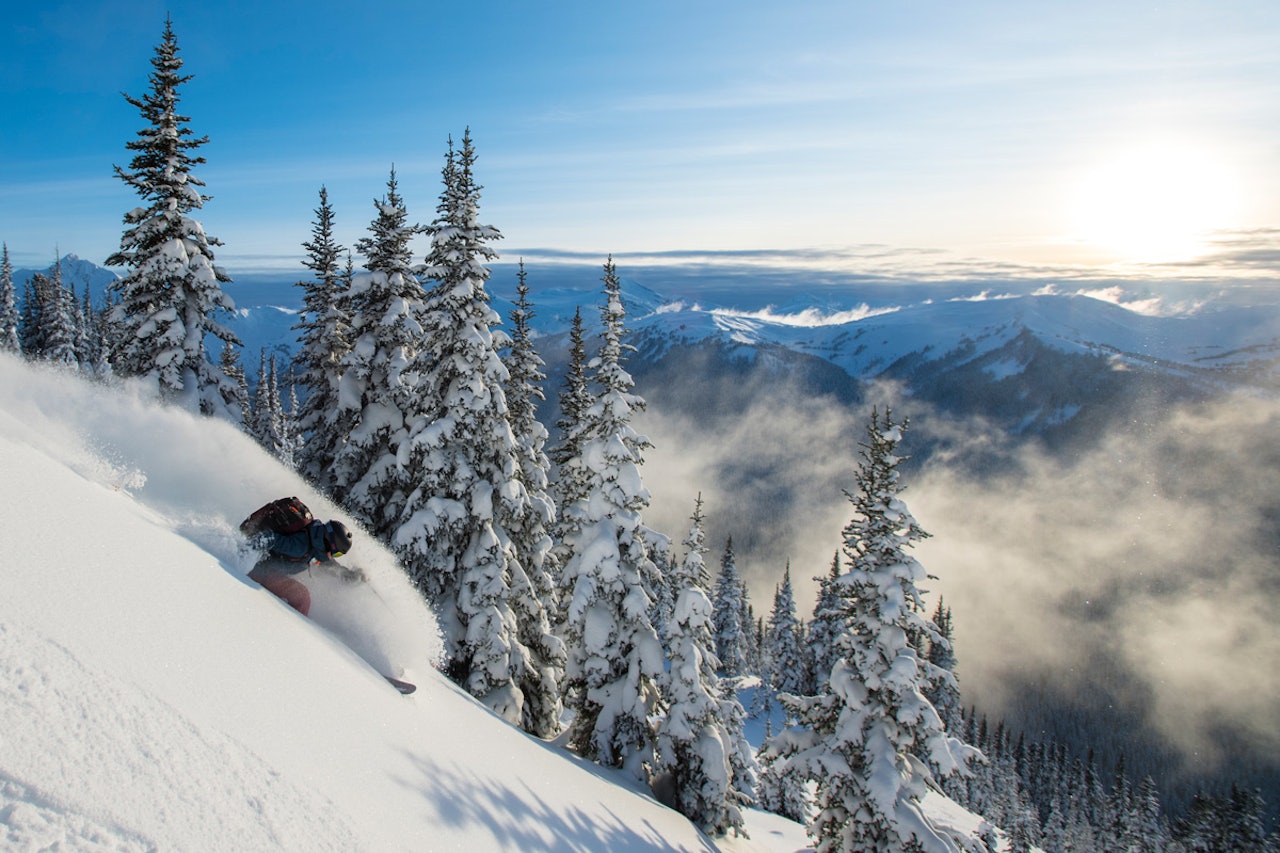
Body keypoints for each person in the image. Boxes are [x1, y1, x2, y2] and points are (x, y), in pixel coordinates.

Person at [248, 518, 354, 617]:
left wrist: (346, 574)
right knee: (302, 597)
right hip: (260, 571)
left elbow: (328, 564)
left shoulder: (314, 540)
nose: (333, 556)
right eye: (336, 554)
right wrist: (244, 555)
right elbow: (268, 538)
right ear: (330, 544)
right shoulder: (300, 547)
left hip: (267, 570)